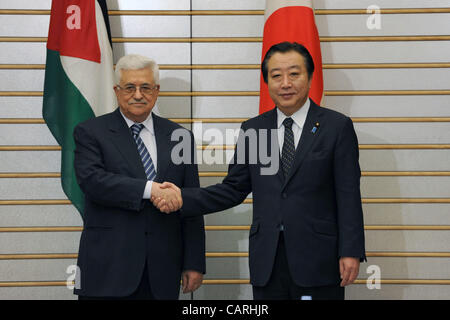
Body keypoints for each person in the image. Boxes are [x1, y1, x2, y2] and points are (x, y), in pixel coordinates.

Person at [153, 42, 366, 300]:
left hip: (319, 258)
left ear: (310, 77)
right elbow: (233, 188)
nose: (285, 83)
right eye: (276, 76)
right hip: (268, 260)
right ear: (267, 82)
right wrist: (182, 198)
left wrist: (351, 250)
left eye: (294, 74)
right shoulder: (255, 129)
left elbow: (348, 195)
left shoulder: (336, 126)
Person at [72, 54, 205, 300]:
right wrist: (150, 189)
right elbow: (92, 181)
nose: (137, 94)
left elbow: (191, 202)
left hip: (162, 270)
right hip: (107, 268)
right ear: (116, 90)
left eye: (145, 87)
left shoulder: (180, 136)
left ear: (156, 91)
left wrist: (194, 262)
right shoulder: (90, 132)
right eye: (129, 87)